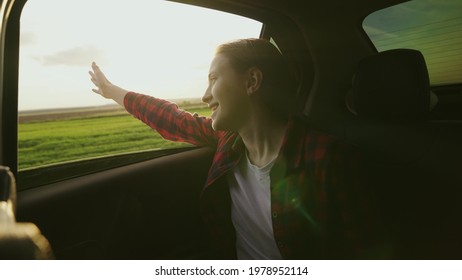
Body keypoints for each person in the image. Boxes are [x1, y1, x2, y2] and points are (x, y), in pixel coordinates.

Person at [89, 38, 385, 259]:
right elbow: (172, 119)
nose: (205, 96)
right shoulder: (228, 141)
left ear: (252, 81)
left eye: (214, 79)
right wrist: (112, 91)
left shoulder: (327, 158)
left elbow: (362, 255)